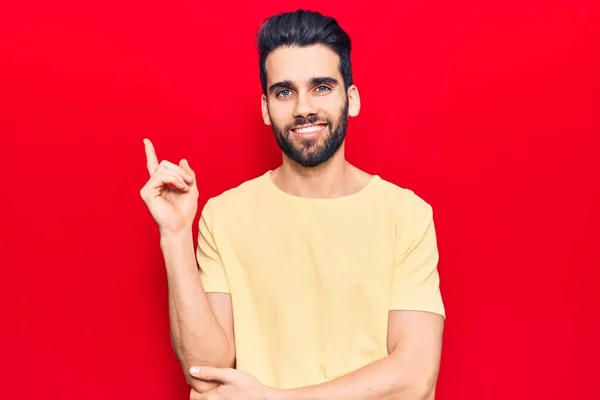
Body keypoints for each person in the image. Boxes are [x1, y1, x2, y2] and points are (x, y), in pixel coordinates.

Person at [140, 9, 446, 400]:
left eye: (321, 87)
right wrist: (175, 235)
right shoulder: (224, 216)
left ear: (350, 99)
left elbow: (415, 376)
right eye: (284, 91)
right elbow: (205, 371)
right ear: (266, 108)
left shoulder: (407, 215)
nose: (303, 107)